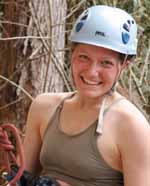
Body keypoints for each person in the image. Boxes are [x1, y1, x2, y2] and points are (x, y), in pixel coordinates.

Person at [22, 5, 150, 186]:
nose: (92, 72)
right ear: (71, 54)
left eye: (106, 63)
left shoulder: (131, 126)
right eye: (84, 57)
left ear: (124, 66)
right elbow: (23, 178)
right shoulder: (43, 107)